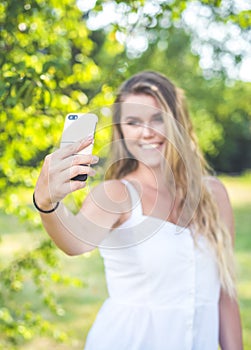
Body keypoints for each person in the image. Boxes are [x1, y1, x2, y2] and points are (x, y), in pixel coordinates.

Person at [34, 71, 243, 350]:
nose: (147, 132)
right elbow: (74, 241)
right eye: (133, 122)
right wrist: (46, 203)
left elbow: (224, 294)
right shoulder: (116, 194)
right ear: (121, 131)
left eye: (158, 118)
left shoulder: (214, 195)